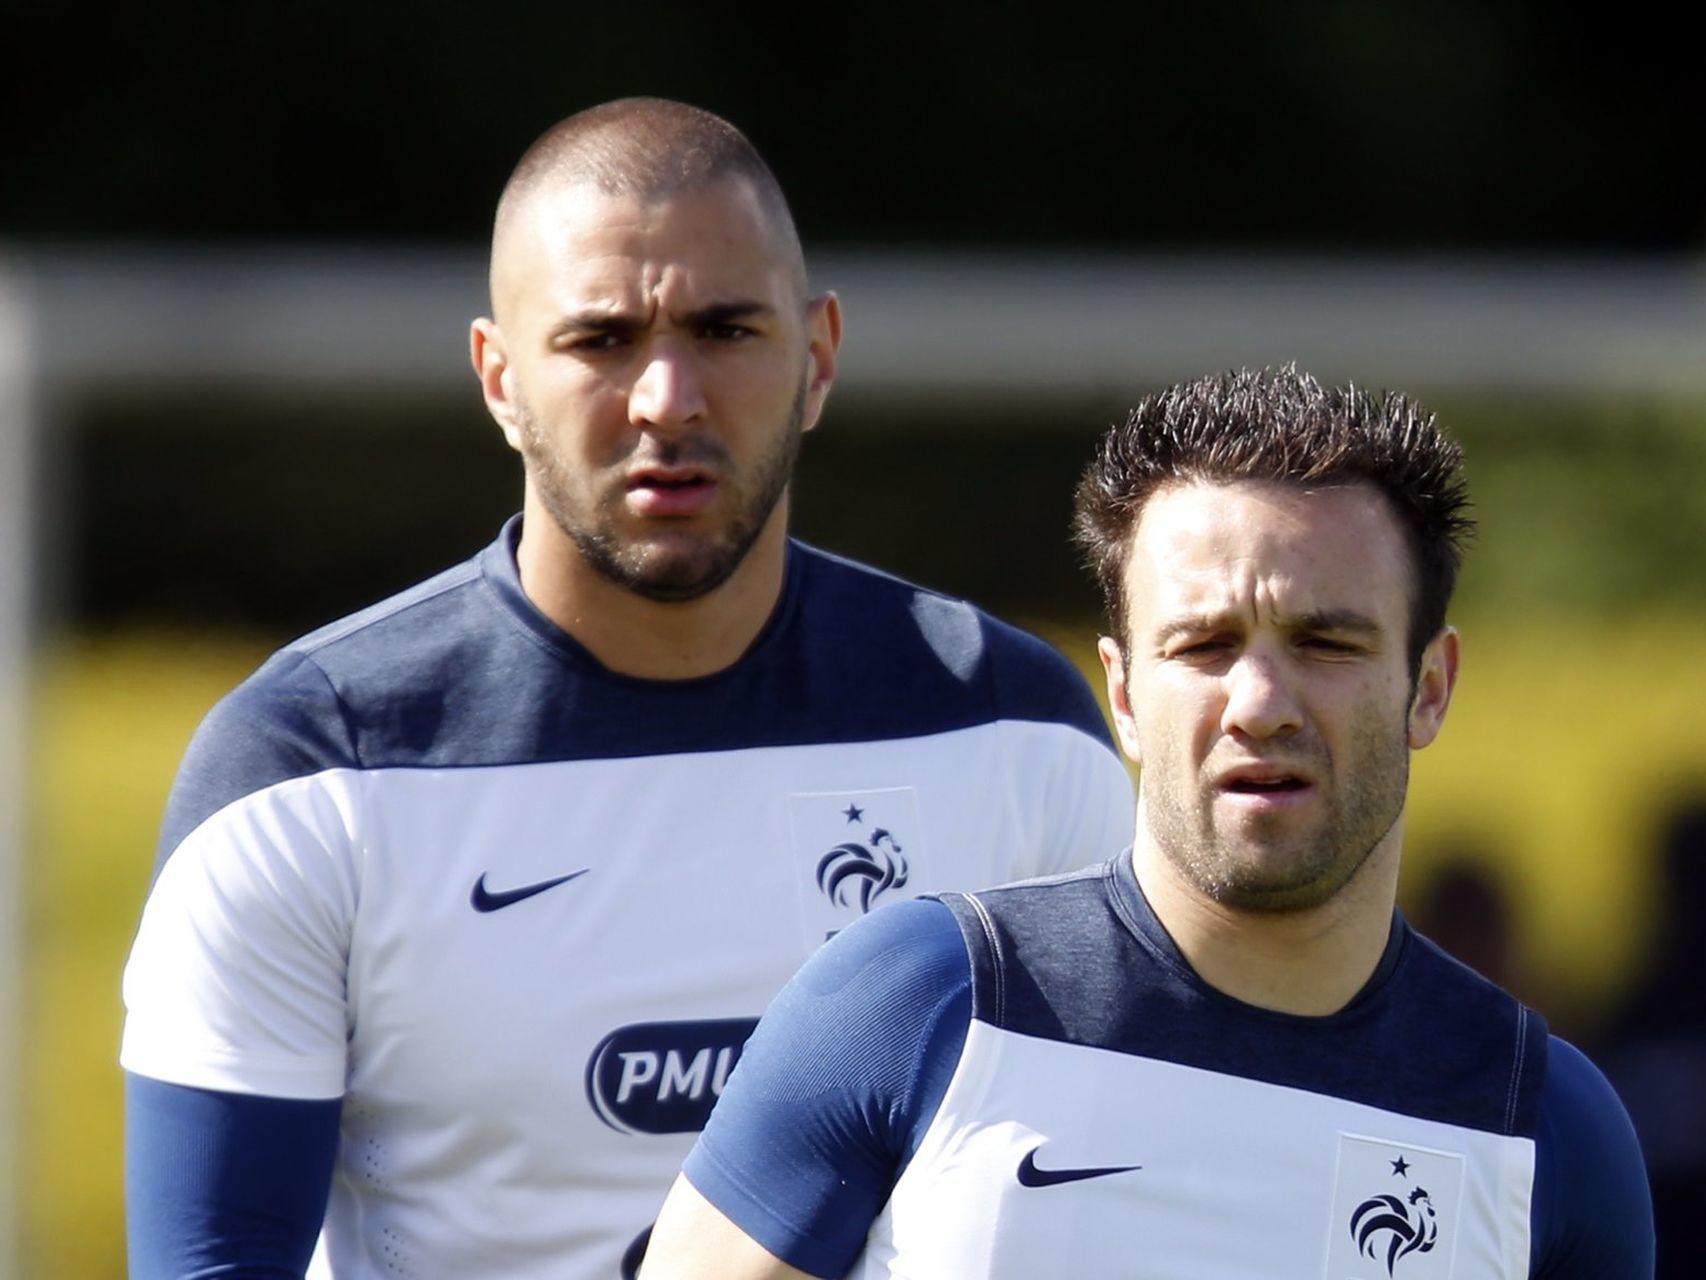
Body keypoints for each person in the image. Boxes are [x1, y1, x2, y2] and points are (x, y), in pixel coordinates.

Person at [119, 98, 1135, 1280]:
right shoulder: (310, 770)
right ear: (500, 376)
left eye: (724, 328)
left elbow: (1111, 1206)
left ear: (816, 358)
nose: (666, 399)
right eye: (600, 338)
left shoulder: (1013, 735)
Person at [639, 365, 1656, 1278]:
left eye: (1325, 642)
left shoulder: (1544, 1129)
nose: (1260, 702)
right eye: (1204, 644)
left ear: (1427, 687)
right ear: (1123, 694)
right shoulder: (918, 1003)